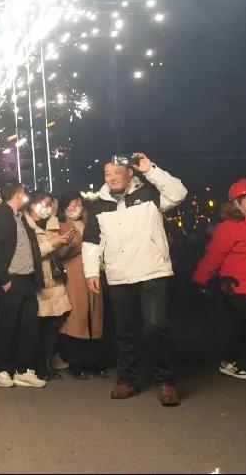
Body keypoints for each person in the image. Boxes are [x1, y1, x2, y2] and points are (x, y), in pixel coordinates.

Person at [82, 153, 187, 405]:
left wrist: (150, 168)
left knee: (155, 326)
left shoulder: (150, 194)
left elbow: (179, 192)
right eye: (107, 173)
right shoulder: (98, 205)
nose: (112, 177)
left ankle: (166, 382)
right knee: (124, 332)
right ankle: (127, 380)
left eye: (117, 172)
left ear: (130, 173)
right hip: (119, 276)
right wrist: (92, 272)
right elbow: (92, 243)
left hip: (153, 272)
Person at [193, 179, 246, 381]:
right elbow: (213, 256)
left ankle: (229, 362)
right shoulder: (228, 228)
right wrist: (200, 279)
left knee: (240, 327)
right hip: (239, 287)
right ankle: (245, 361)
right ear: (236, 204)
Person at [0, 180, 47, 389]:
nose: (26, 196)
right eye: (23, 193)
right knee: (6, 326)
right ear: (18, 195)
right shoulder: (1, 214)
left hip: (26, 279)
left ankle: (22, 369)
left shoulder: (19, 217)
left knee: (29, 325)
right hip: (11, 279)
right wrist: (5, 280)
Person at [24, 192, 73, 380]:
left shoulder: (52, 224)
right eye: (44, 204)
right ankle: (37, 366)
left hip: (54, 280)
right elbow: (32, 252)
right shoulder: (26, 225)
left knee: (53, 326)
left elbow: (58, 255)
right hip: (38, 279)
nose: (48, 208)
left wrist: (65, 243)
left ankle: (48, 362)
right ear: (33, 205)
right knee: (37, 326)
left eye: (50, 204)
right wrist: (55, 242)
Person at [58, 193, 106, 379]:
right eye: (70, 205)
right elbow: (58, 253)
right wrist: (67, 244)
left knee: (95, 317)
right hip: (73, 274)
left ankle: (96, 361)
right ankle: (77, 362)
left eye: (77, 204)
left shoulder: (91, 222)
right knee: (76, 319)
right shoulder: (60, 225)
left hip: (93, 273)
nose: (74, 208)